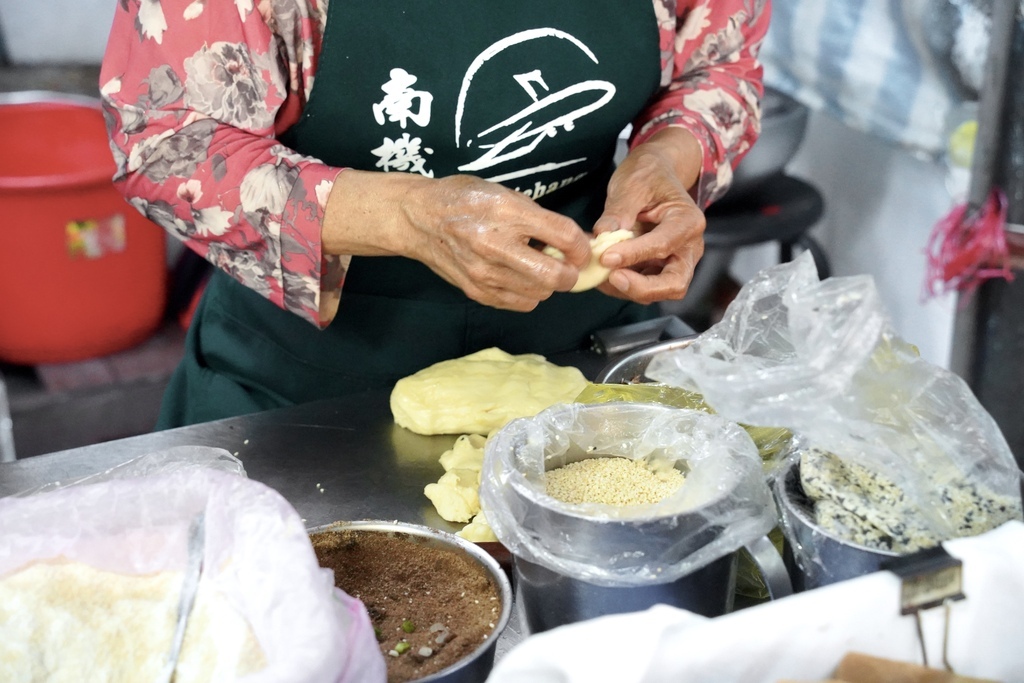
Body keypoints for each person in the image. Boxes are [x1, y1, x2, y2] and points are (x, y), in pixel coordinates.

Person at [99, 0, 770, 428]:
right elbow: (168, 141)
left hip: (583, 361)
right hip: (305, 386)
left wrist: (664, 163)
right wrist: (408, 217)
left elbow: (719, 66)